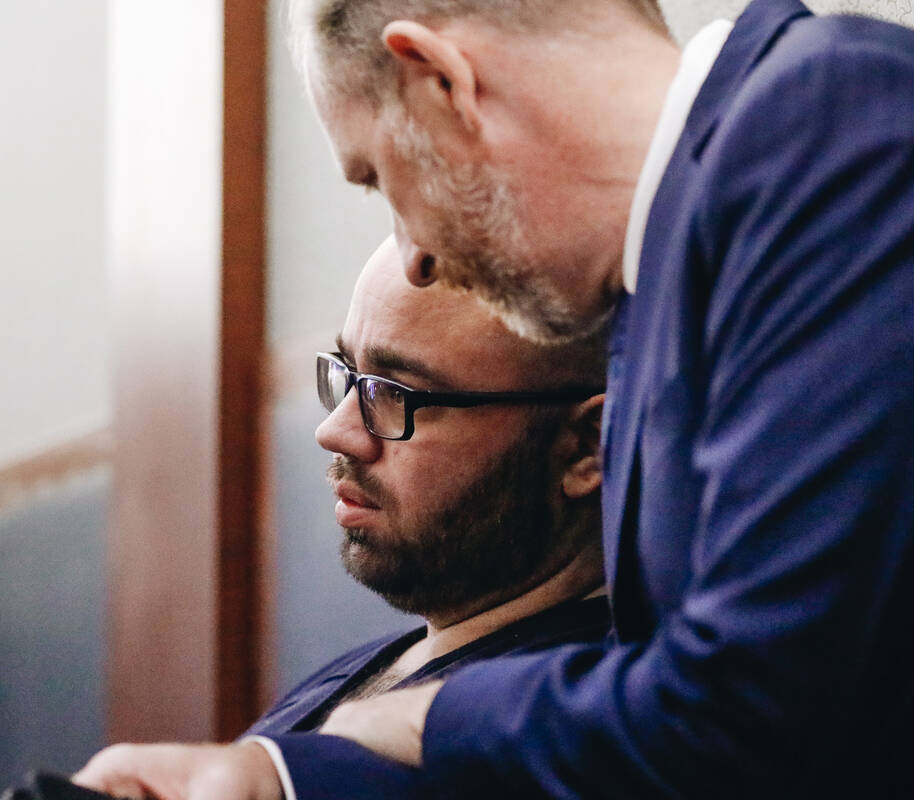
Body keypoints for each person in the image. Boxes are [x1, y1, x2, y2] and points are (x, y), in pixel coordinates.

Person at [79, 0, 914, 797]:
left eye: (379, 179)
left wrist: (391, 719)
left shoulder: (841, 129)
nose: (412, 259)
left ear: (441, 81)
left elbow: (749, 715)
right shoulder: (696, 260)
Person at [72, 235, 609, 797]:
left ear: (582, 448)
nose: (335, 431)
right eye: (348, 374)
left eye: (396, 392)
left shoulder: (578, 737)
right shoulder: (352, 678)